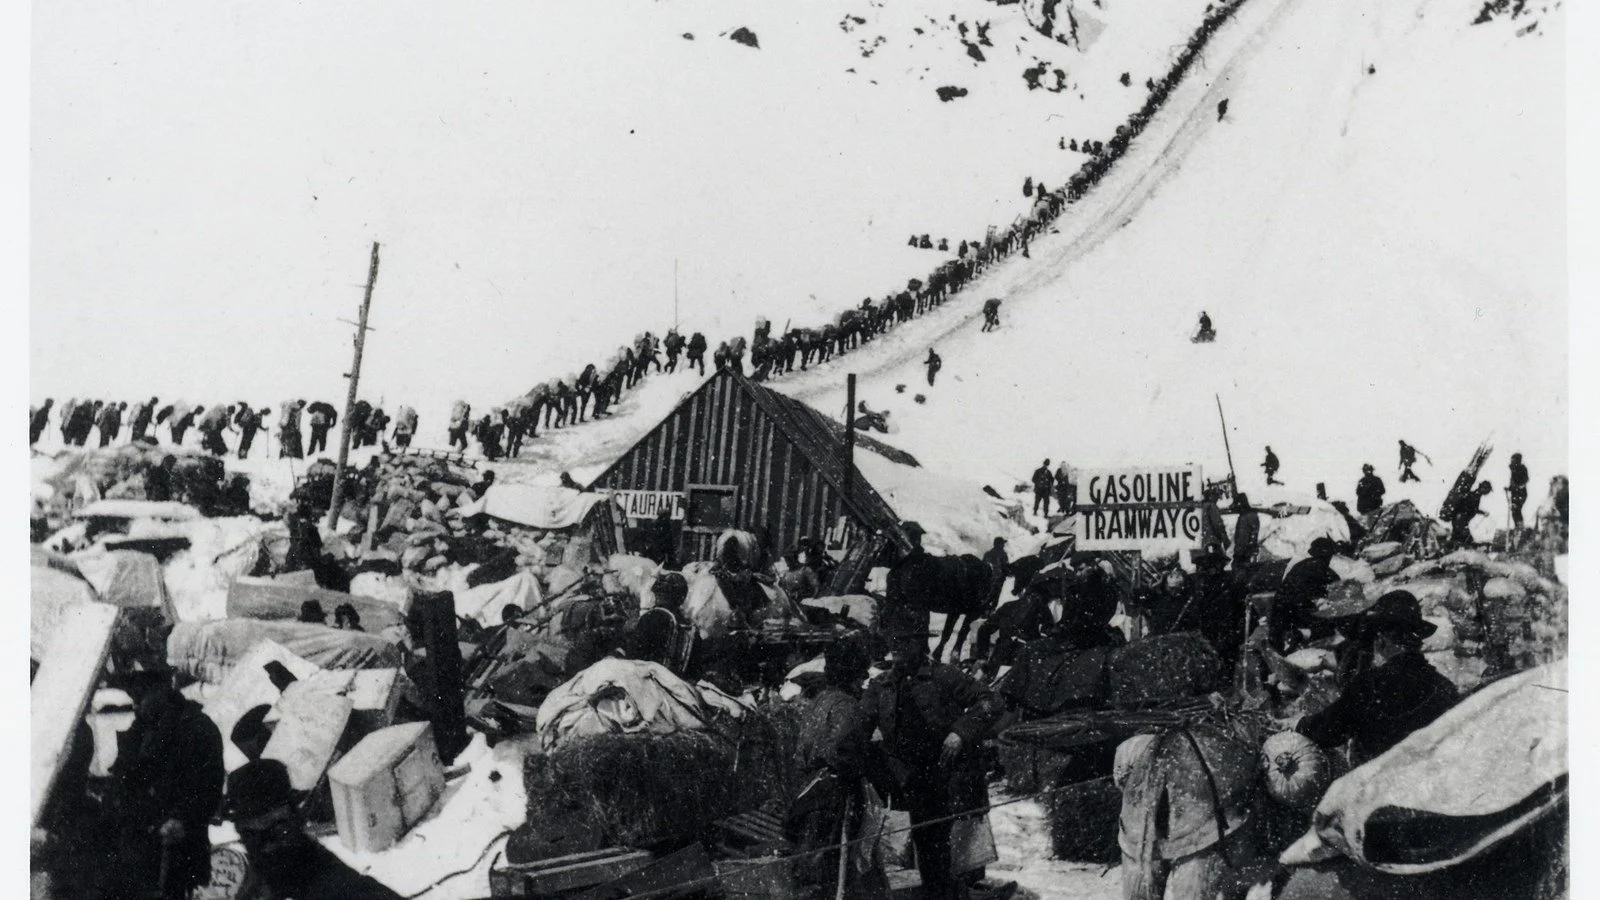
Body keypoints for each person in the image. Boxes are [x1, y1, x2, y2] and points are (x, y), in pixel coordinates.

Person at [860, 628, 1007, 900]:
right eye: (895, 641)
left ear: (920, 643)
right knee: (928, 845)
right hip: (911, 779)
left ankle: (963, 890)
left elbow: (991, 701)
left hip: (947, 772)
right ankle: (945, 892)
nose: (898, 647)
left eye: (906, 640)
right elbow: (860, 726)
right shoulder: (882, 685)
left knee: (958, 838)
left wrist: (960, 732)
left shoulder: (945, 676)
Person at [1298, 591, 1458, 765]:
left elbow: (1327, 731)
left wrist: (1303, 726)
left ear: (1381, 640)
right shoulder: (1444, 688)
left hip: (1383, 788)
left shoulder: (1369, 686)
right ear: (1417, 639)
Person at [784, 636, 890, 898]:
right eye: (859, 675)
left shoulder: (819, 700)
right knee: (832, 869)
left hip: (807, 791)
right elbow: (841, 751)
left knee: (812, 865)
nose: (864, 679)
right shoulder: (847, 706)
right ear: (850, 675)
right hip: (833, 798)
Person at [109, 671, 225, 899]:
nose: (135, 704)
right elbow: (124, 776)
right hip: (140, 846)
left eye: (141, 696)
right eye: (133, 696)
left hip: (180, 848)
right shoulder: (139, 731)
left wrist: (182, 818)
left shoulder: (197, 727)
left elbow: (209, 787)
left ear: (162, 690)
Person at [225, 755, 403, 899]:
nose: (267, 846)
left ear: (296, 821)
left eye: (279, 831)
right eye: (252, 837)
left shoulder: (335, 886)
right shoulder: (242, 880)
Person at [1271, 536, 1340, 651]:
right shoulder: (1323, 569)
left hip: (1281, 611)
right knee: (1329, 628)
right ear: (1328, 555)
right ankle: (1301, 636)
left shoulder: (1300, 565)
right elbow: (1333, 590)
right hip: (1296, 611)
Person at [1451, 480, 1492, 547]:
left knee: (1461, 537)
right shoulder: (1474, 495)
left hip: (1462, 518)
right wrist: (1482, 512)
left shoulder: (1476, 495)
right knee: (1463, 538)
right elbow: (1470, 507)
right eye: (1487, 490)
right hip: (1461, 518)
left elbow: (1472, 508)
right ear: (1483, 488)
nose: (1487, 492)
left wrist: (1482, 512)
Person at [1230, 493, 1260, 574]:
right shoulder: (1253, 516)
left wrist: (1238, 554)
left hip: (1243, 554)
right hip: (1249, 552)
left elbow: (1242, 539)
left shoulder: (1244, 518)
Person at [981, 537, 1009, 610]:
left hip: (987, 578)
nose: (1004, 545)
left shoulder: (987, 553)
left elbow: (983, 565)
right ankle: (991, 610)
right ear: (999, 544)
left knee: (987, 593)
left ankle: (983, 608)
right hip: (998, 579)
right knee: (995, 595)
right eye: (1003, 543)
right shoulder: (1003, 554)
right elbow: (1006, 567)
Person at [1507, 453, 1530, 531]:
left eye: (1513, 460)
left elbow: (1526, 479)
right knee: (1514, 510)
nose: (1512, 462)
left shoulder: (1522, 468)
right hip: (1515, 493)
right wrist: (1509, 488)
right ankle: (1518, 526)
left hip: (1521, 493)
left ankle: (1520, 527)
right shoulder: (1513, 469)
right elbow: (1512, 481)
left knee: (1516, 509)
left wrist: (1520, 486)